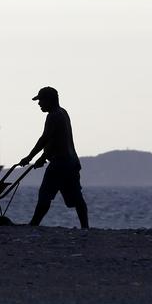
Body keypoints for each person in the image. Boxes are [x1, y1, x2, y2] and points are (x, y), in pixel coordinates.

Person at [19, 86, 89, 229]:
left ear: (49, 100)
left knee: (45, 194)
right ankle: (85, 227)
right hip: (71, 162)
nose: (39, 104)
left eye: (41, 101)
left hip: (60, 163)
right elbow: (56, 140)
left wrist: (30, 157)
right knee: (76, 197)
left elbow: (45, 139)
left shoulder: (53, 116)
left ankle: (33, 224)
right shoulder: (62, 113)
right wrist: (43, 156)